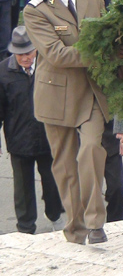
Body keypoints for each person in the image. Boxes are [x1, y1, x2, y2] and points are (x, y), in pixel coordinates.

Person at [23, 0, 109, 245]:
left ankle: (95, 221)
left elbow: (109, 33)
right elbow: (57, 55)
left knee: (90, 151)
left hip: (92, 91)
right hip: (56, 93)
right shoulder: (35, 10)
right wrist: (102, 52)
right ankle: (75, 229)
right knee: (65, 166)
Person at [0, 26, 64, 234]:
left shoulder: (49, 67)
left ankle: (55, 215)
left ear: (36, 49)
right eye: (20, 54)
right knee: (23, 188)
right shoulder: (3, 72)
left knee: (52, 183)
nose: (25, 58)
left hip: (48, 138)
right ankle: (25, 228)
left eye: (28, 53)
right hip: (18, 140)